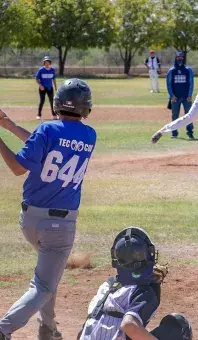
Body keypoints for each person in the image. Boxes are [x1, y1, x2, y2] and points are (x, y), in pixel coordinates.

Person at [0, 78, 97, 340]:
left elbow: (31, 153)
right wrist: (7, 126)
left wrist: (5, 129)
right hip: (60, 226)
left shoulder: (47, 130)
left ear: (56, 104)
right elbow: (25, 162)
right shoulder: (90, 135)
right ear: (85, 108)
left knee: (47, 279)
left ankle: (48, 329)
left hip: (30, 221)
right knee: (43, 284)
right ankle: (4, 328)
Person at [78, 226, 193, 340]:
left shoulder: (106, 286)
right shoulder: (142, 292)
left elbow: (82, 333)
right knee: (177, 327)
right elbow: (129, 325)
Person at [166, 52, 194, 140]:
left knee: (189, 115)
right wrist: (172, 96)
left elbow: (191, 83)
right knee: (175, 116)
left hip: (186, 97)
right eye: (178, 57)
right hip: (175, 98)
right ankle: (174, 133)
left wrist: (190, 95)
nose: (180, 59)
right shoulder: (171, 71)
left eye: (181, 57)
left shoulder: (188, 70)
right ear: (175, 58)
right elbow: (169, 84)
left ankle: (190, 133)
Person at [35, 56, 57, 120]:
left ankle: (54, 114)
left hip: (50, 88)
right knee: (42, 101)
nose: (47, 64)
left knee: (52, 101)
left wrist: (55, 87)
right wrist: (40, 85)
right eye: (45, 62)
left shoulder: (52, 70)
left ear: (50, 63)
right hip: (42, 88)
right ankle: (39, 114)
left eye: (48, 62)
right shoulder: (41, 70)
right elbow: (36, 78)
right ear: (44, 63)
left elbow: (54, 79)